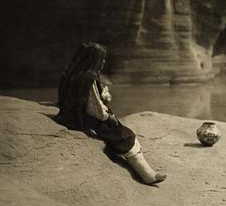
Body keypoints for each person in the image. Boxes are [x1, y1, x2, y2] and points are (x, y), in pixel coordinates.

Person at [57, 42, 166, 185]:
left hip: (71, 115)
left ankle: (148, 173)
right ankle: (147, 175)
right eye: (100, 60)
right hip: (83, 119)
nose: (102, 64)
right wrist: (109, 116)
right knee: (126, 136)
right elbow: (95, 110)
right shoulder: (88, 80)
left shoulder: (75, 74)